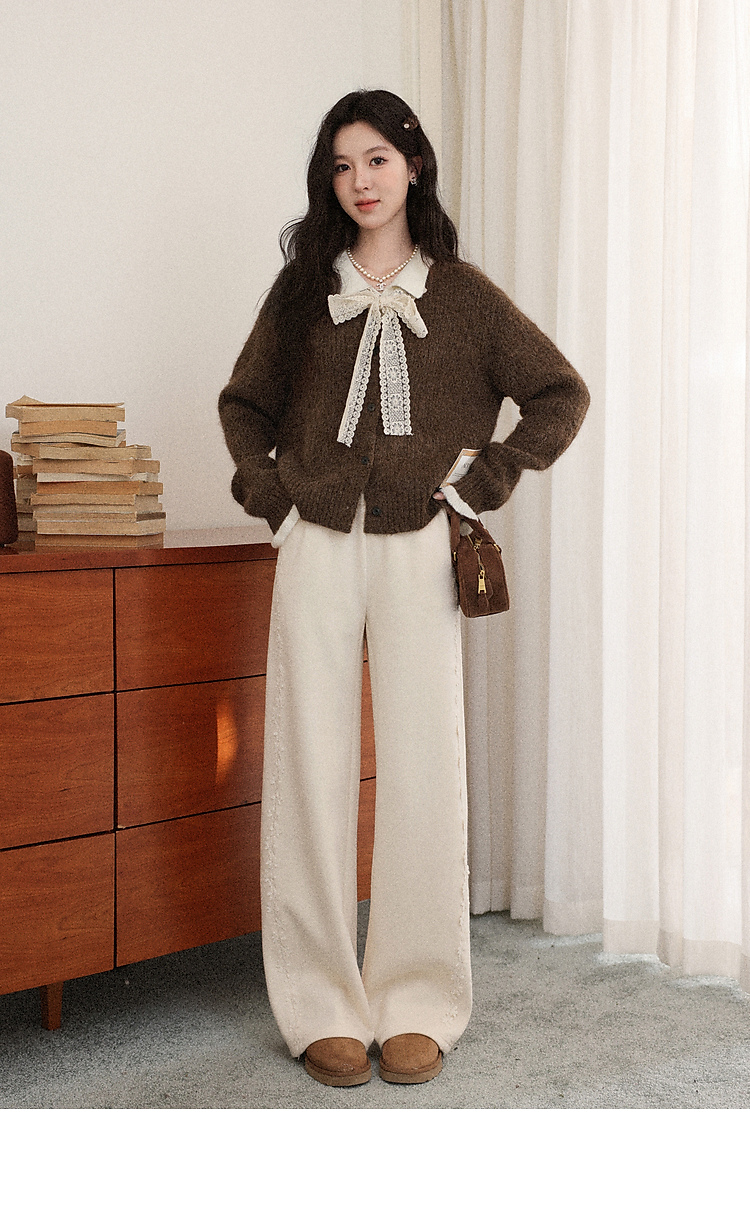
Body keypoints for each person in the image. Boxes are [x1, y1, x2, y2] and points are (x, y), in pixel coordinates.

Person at [218, 89, 589, 1088]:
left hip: (423, 543)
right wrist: (274, 500)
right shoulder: (303, 291)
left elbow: (559, 392)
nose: (361, 181)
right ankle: (319, 1003)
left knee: (426, 767)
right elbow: (244, 403)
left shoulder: (461, 295)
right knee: (310, 765)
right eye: (342, 166)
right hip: (317, 541)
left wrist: (485, 479)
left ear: (413, 165)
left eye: (377, 159)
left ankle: (418, 997)